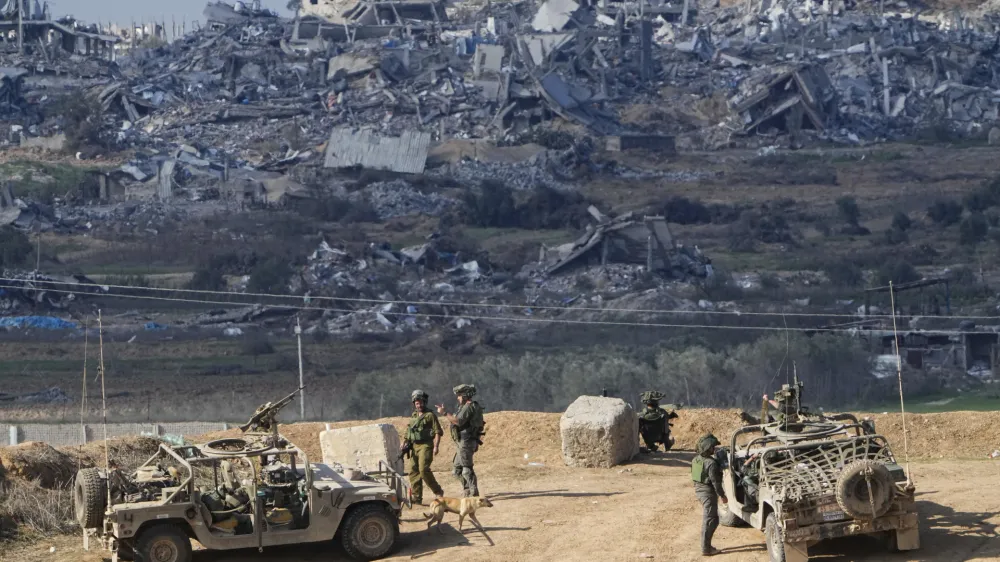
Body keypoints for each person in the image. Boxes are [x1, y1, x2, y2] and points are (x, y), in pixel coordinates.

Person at [436, 384, 485, 498]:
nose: (458, 398)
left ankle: (474, 494)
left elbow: (458, 421)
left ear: (464, 396)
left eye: (459, 396)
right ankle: (467, 489)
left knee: (467, 469)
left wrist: (443, 413)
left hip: (466, 441)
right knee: (457, 470)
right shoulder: (465, 407)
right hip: (462, 442)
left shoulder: (468, 407)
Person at [403, 389, 444, 506]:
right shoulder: (414, 415)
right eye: (417, 403)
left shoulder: (430, 415)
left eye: (421, 403)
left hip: (426, 445)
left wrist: (436, 446)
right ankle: (416, 497)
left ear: (424, 402)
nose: (419, 405)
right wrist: (405, 442)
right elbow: (409, 431)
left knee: (423, 470)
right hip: (414, 446)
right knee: (413, 471)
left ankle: (438, 491)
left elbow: (438, 432)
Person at [691, 434, 728, 557]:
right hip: (708, 493)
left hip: (699, 490)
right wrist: (722, 496)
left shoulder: (696, 459)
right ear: (708, 449)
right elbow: (716, 483)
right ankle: (706, 548)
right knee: (710, 520)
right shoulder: (711, 463)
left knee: (713, 519)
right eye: (712, 447)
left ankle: (706, 546)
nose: (714, 449)